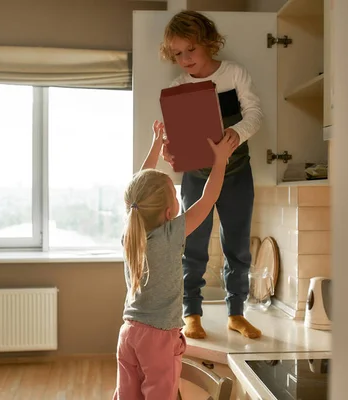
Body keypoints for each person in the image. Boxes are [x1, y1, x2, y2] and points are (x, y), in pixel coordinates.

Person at [113, 120, 238, 399]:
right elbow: (207, 199)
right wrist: (220, 161)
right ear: (170, 212)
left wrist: (156, 145)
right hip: (158, 338)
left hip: (129, 333)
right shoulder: (170, 234)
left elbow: (139, 189)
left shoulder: (130, 231)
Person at [159, 10, 264, 340]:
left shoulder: (233, 74)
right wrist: (169, 149)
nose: (185, 59)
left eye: (190, 49)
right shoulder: (177, 87)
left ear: (208, 43)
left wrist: (236, 133)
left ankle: (236, 314)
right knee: (193, 246)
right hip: (196, 175)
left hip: (236, 171)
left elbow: (255, 115)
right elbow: (177, 138)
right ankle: (192, 313)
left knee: (237, 246)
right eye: (177, 53)